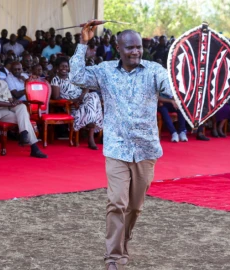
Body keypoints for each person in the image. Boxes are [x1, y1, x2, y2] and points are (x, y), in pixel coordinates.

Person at [69, 21, 173, 269]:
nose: (136, 52)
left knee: (135, 207)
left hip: (146, 149)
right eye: (130, 48)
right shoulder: (105, 71)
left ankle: (124, 240)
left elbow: (170, 89)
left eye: (139, 47)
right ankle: (113, 256)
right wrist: (83, 42)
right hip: (116, 148)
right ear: (119, 49)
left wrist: (182, 97)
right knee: (117, 202)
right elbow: (76, 77)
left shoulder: (154, 70)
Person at [0, 66, 47, 158]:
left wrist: (14, 101)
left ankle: (24, 134)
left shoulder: (3, 83)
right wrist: (9, 105)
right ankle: (33, 147)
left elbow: (9, 98)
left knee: (22, 107)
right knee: (25, 120)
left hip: (7, 110)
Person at [51, 57, 103, 150]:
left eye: (66, 66)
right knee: (92, 106)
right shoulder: (56, 80)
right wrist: (74, 100)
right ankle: (91, 135)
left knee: (94, 95)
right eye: (62, 66)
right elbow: (56, 97)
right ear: (57, 68)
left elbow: (87, 86)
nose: (64, 68)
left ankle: (90, 128)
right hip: (71, 105)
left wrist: (81, 97)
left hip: (82, 100)